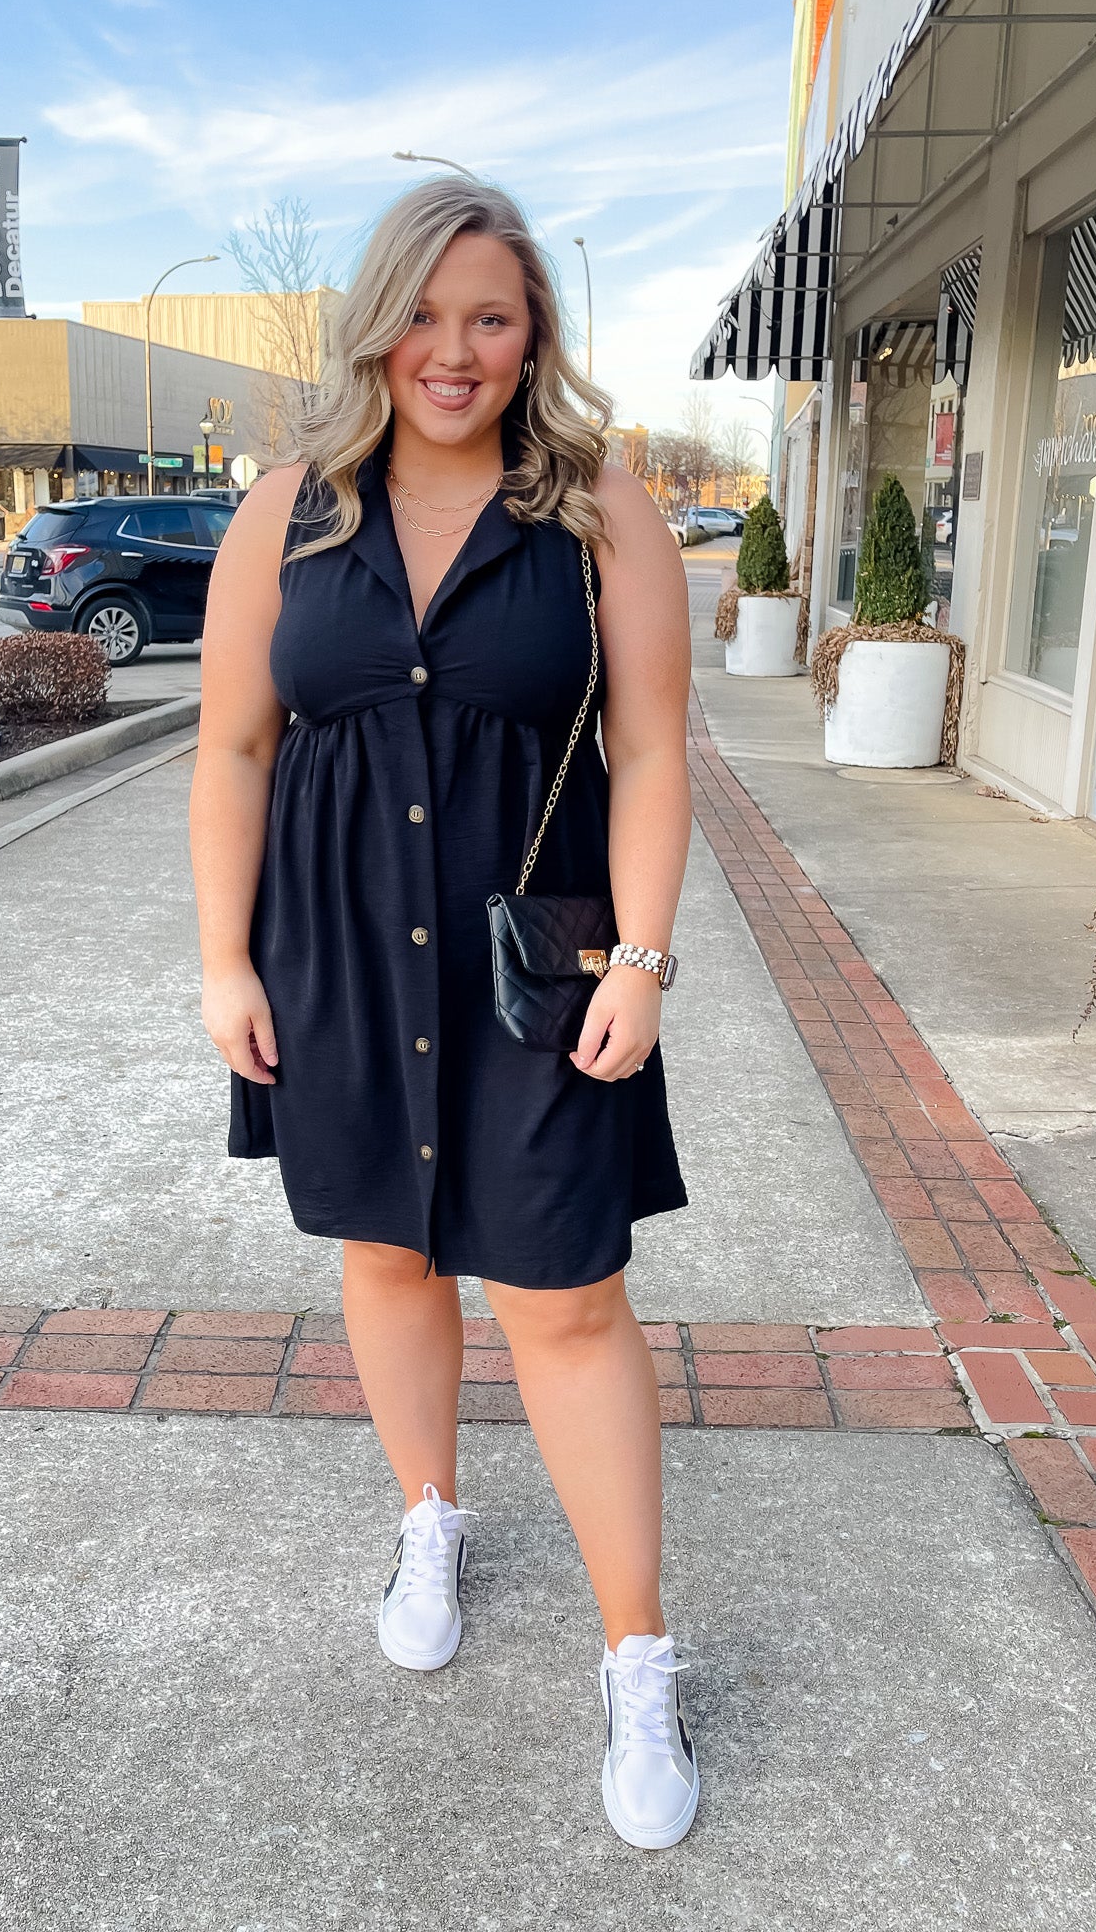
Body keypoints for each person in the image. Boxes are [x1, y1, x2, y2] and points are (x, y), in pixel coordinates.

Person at [189, 178, 696, 1850]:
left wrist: (643, 959)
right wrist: (225, 961)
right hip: (336, 956)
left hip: (535, 965)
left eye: (489, 315)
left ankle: (637, 1656)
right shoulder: (289, 511)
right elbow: (234, 749)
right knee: (389, 1260)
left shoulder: (597, 508)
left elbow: (654, 748)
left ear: (533, 331)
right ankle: (431, 1516)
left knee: (567, 1295)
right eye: (423, 313)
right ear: (376, 326)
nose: (453, 349)